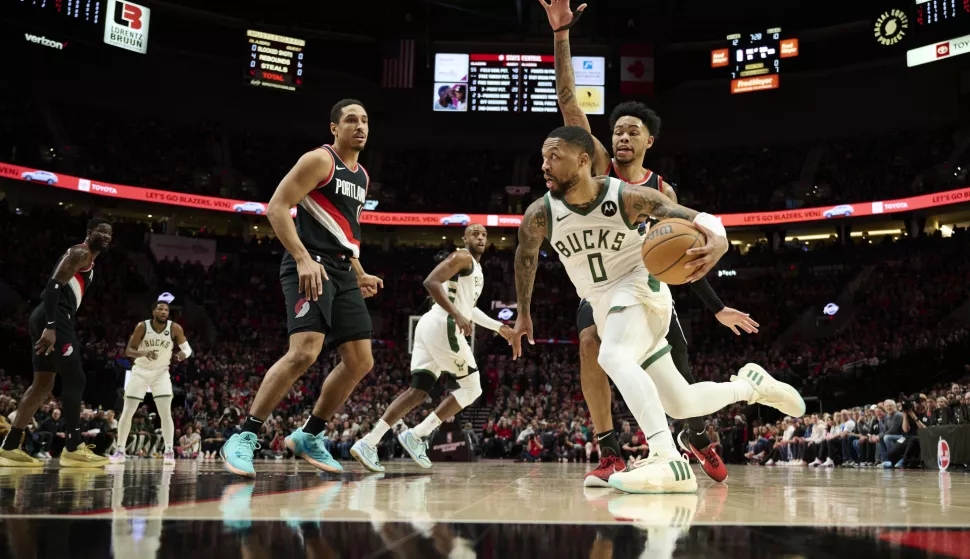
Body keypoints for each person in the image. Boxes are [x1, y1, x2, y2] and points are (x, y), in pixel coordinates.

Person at [511, 126, 805, 493]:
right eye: (543, 157)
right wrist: (523, 312)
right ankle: (751, 387)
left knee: (612, 356)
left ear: (583, 161)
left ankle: (667, 460)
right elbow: (525, 256)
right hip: (603, 304)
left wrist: (720, 239)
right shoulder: (541, 213)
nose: (544, 165)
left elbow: (691, 216)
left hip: (639, 289)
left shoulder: (626, 197)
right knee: (680, 403)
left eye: (554, 157)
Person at [538, 0, 759, 488]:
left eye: (631, 132)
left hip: (648, 287)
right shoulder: (596, 167)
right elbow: (569, 100)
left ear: (648, 142)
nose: (621, 137)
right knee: (592, 344)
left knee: (678, 376)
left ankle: (695, 436)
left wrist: (717, 306)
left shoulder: (661, 192)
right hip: (600, 285)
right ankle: (610, 451)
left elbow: (685, 256)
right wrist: (561, 35)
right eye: (617, 130)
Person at [221, 99, 383, 478]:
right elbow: (277, 207)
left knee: (361, 361)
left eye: (364, 120)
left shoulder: (362, 176)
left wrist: (359, 272)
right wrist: (302, 258)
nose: (360, 126)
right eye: (351, 120)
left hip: (342, 270)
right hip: (309, 266)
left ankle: (309, 435)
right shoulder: (319, 160)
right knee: (304, 352)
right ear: (334, 128)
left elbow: (344, 231)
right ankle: (244, 435)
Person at [351, 224, 513, 472]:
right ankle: (417, 435)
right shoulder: (463, 256)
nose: (480, 238)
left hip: (430, 325)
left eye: (484, 235)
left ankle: (368, 442)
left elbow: (470, 309)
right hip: (443, 324)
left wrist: (499, 327)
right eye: (475, 234)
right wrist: (456, 313)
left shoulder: (476, 268)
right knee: (473, 388)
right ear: (465, 238)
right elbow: (431, 282)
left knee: (417, 392)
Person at [0, 218, 113, 468]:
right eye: (102, 230)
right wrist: (51, 326)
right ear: (89, 232)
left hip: (48, 316)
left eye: (110, 233)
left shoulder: (88, 260)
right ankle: (73, 448)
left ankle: (9, 447)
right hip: (55, 317)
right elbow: (53, 287)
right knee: (75, 378)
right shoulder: (80, 252)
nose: (106, 235)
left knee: (42, 384)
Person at [110, 300, 191, 465]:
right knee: (128, 411)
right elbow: (129, 351)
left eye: (166, 310)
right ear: (153, 312)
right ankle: (120, 450)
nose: (163, 312)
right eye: (160, 309)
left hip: (161, 373)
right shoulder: (142, 326)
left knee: (165, 413)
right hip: (140, 372)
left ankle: (169, 451)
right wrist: (144, 352)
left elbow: (187, 349)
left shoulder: (175, 328)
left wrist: (183, 354)